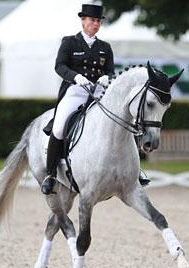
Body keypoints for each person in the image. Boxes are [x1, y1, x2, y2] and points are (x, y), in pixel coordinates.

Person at [41, 4, 149, 195]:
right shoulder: (69, 42)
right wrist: (75, 77)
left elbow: (109, 70)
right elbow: (59, 66)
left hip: (99, 92)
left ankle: (136, 170)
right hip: (76, 90)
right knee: (58, 128)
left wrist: (106, 76)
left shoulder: (104, 47)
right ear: (83, 21)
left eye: (98, 21)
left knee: (123, 120)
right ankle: (50, 175)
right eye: (92, 20)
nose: (96, 24)